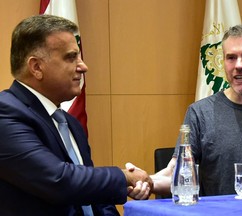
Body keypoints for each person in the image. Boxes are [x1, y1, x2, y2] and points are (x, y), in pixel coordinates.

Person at [0, 14, 152, 216]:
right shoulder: (6, 113)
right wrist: (123, 177)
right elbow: (58, 181)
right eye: (71, 57)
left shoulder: (68, 122)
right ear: (36, 67)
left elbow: (91, 195)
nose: (83, 66)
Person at [147, 23, 242, 197]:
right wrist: (144, 182)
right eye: (231, 57)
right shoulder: (199, 113)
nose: (239, 65)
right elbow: (175, 173)